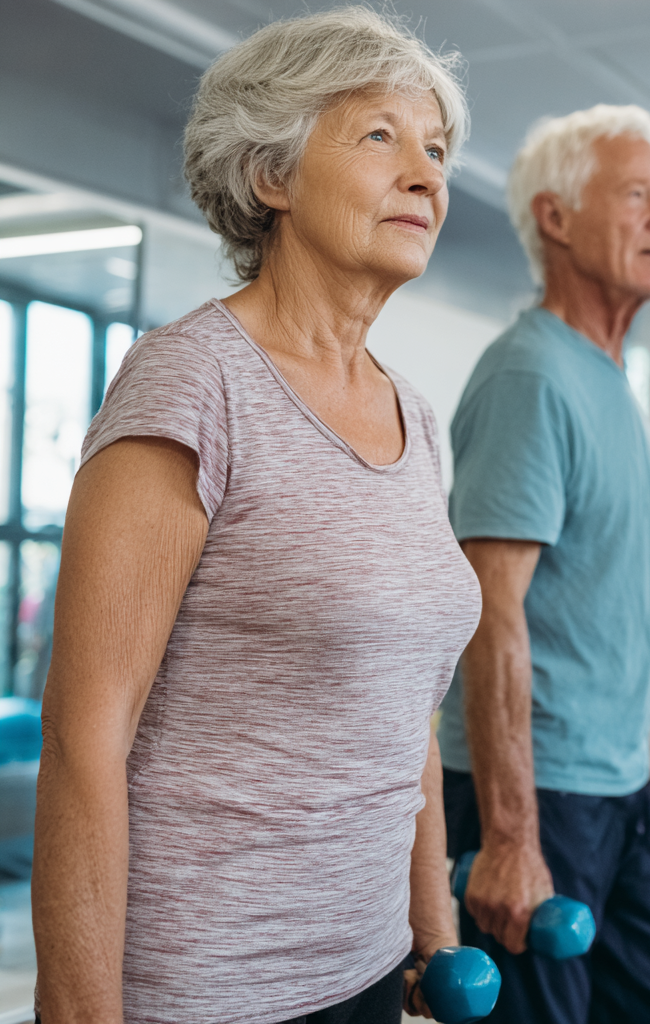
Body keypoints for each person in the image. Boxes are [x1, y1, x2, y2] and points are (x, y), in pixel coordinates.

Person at [31, 10, 481, 1023]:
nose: (426, 174)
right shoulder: (195, 383)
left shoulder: (415, 413)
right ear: (269, 175)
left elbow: (404, 701)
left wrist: (429, 927)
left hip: (364, 964)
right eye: (380, 135)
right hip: (206, 985)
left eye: (437, 149)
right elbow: (84, 735)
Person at [436, 105, 650, 1023]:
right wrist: (508, 833)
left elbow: (595, 594)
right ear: (556, 217)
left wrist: (643, 747)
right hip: (536, 793)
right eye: (635, 196)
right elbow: (489, 609)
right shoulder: (529, 375)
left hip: (615, 783)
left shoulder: (610, 381)